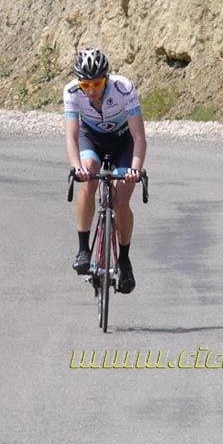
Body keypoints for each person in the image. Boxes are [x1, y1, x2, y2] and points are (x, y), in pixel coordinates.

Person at [63, 48, 147, 294]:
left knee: (121, 200)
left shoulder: (124, 89)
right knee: (88, 177)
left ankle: (124, 260)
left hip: (124, 141)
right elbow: (71, 136)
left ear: (106, 79)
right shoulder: (71, 92)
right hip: (92, 139)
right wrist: (76, 167)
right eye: (85, 84)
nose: (91, 90)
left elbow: (139, 137)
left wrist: (135, 170)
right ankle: (83, 248)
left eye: (97, 83)